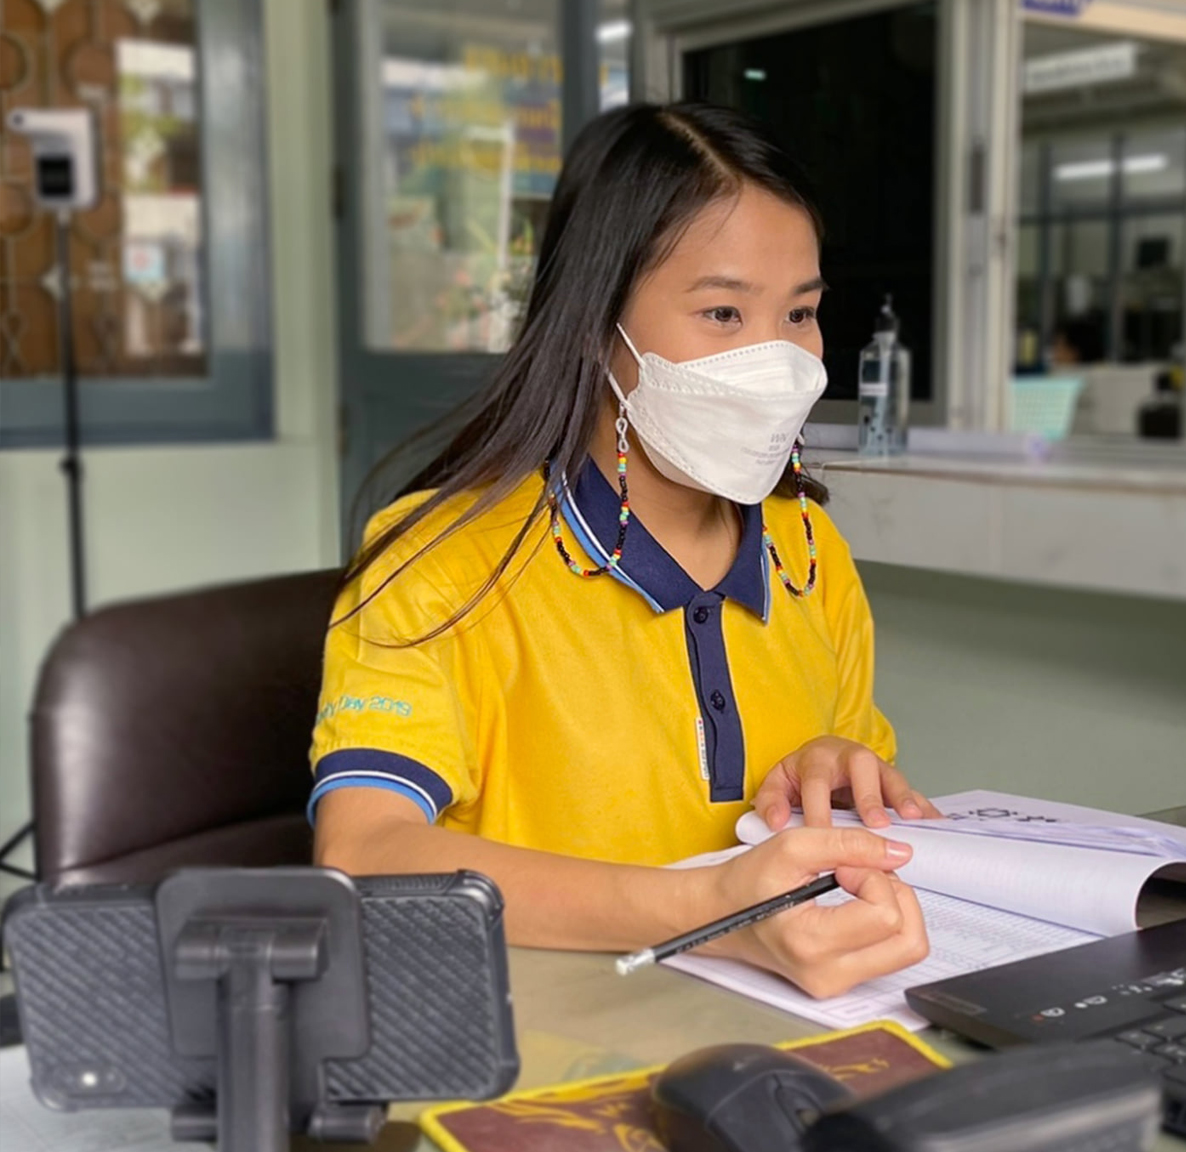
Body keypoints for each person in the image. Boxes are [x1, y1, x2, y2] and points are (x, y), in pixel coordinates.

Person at [310, 103, 938, 998]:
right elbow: (364, 854)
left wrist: (837, 773)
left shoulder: (809, 548)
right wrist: (712, 910)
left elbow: (849, 811)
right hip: (541, 1055)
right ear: (598, 321)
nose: (779, 359)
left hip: (789, 1036)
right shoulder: (436, 562)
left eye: (800, 313)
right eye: (723, 312)